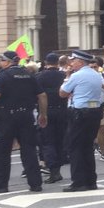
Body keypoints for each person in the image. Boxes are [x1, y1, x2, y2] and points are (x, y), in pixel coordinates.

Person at [0, 49, 46, 193]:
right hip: (26, 116)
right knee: (29, 151)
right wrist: (43, 114)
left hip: (7, 117)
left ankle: (1, 185)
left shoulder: (2, 76)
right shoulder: (28, 74)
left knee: (3, 152)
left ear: (7, 61)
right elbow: (42, 95)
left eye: (1, 60)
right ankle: (35, 184)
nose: (0, 63)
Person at [59, 51, 104, 192]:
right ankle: (91, 181)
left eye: (73, 61)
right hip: (94, 113)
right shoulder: (96, 75)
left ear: (80, 62)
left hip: (79, 114)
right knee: (87, 147)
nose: (71, 63)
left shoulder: (76, 76)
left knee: (75, 148)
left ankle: (78, 182)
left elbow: (62, 93)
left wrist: (67, 77)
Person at [35, 53, 68, 184]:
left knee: (47, 141)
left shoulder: (39, 76)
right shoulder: (64, 76)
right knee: (60, 140)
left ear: (45, 62)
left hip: (45, 111)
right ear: (58, 63)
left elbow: (35, 94)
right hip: (62, 110)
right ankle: (58, 170)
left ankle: (53, 170)